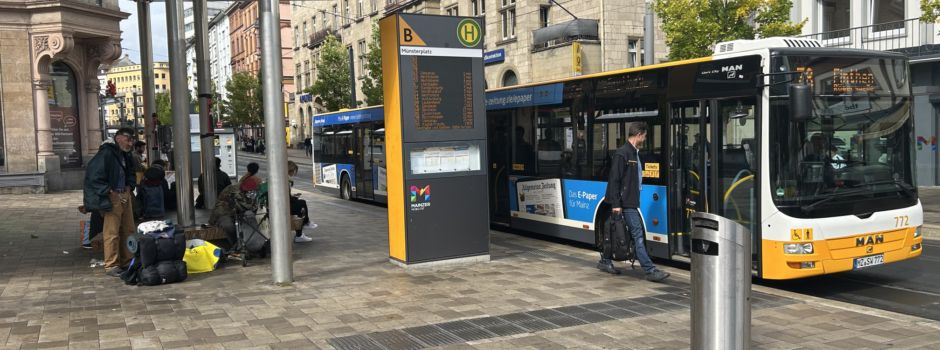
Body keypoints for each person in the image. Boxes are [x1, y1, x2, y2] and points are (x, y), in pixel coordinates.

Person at [601, 123, 670, 282]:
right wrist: (616, 204)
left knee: (615, 231)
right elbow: (614, 180)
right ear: (638, 135)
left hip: (630, 200)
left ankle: (605, 260)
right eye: (644, 136)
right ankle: (650, 270)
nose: (645, 139)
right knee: (637, 234)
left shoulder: (634, 153)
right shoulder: (622, 153)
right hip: (625, 202)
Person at [83, 127, 137, 277]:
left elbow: (131, 172)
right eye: (129, 139)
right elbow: (94, 175)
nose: (131, 143)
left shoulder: (125, 155)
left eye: (132, 140)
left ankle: (128, 261)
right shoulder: (106, 153)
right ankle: (112, 264)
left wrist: (130, 186)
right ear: (119, 137)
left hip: (124, 194)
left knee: (129, 230)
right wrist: (108, 191)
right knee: (111, 232)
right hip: (113, 195)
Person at [209, 177, 261, 249]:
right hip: (224, 213)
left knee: (249, 218)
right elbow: (244, 206)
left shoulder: (252, 191)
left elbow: (252, 206)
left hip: (239, 212)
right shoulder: (233, 190)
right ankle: (236, 246)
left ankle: (252, 244)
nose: (251, 192)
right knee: (228, 226)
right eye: (248, 191)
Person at [288, 161, 317, 242]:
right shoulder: (287, 180)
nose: (294, 173)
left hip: (284, 204)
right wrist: (294, 198)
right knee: (302, 205)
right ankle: (303, 229)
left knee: (301, 205)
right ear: (290, 170)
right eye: (293, 171)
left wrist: (293, 197)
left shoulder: (285, 179)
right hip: (285, 206)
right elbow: (286, 197)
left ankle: (303, 229)